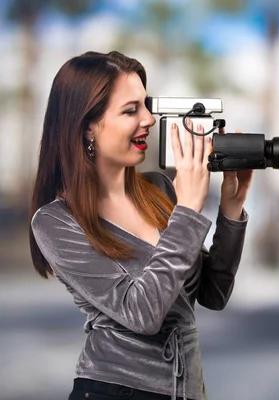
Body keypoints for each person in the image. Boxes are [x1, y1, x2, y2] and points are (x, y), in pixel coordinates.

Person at [29, 51, 253, 400]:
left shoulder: (160, 190)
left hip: (188, 390)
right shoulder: (55, 223)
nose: (149, 119)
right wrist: (189, 209)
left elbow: (213, 293)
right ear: (87, 125)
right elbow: (142, 313)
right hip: (115, 390)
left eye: (146, 105)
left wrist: (231, 208)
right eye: (131, 110)